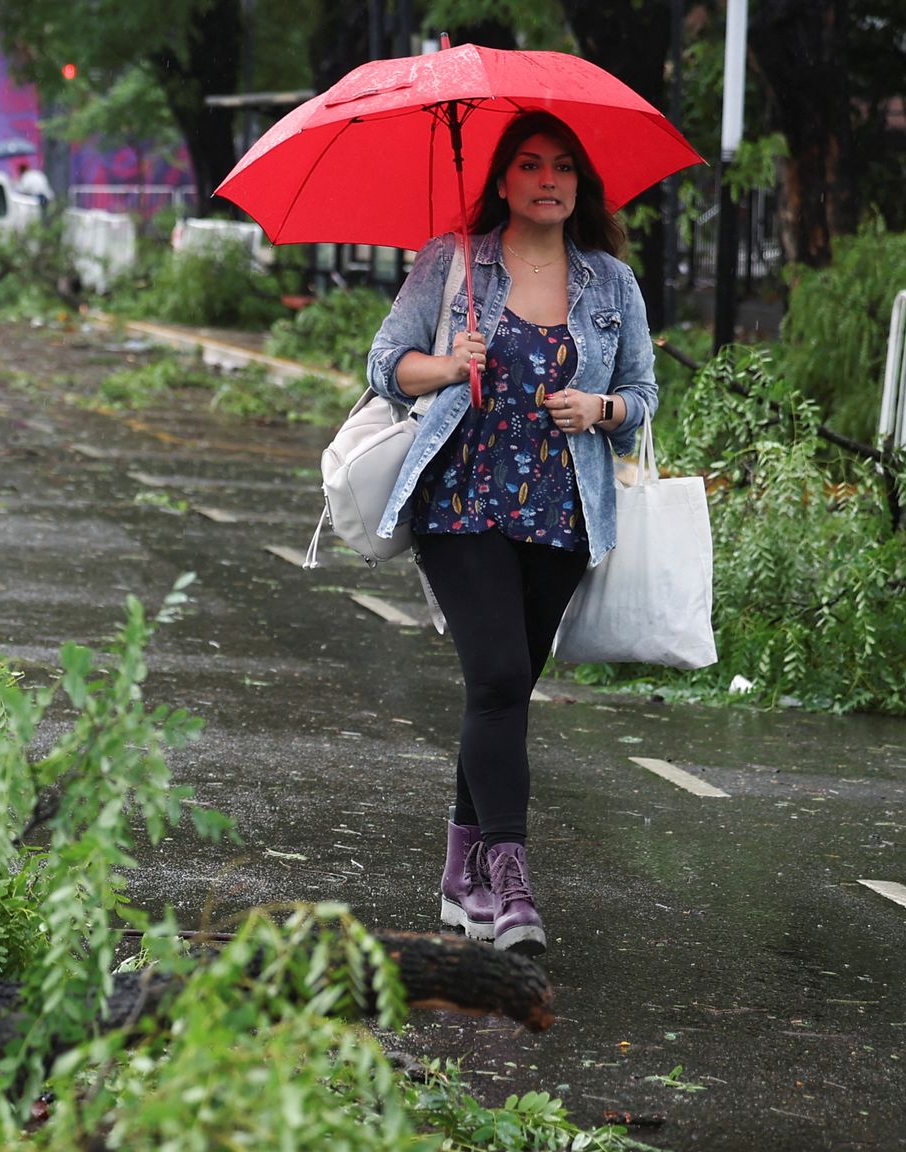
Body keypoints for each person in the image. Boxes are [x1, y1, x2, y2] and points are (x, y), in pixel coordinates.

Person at [363, 110, 658, 957]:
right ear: (502, 179)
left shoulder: (611, 284)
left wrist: (600, 408)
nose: (548, 179)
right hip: (462, 499)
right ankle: (509, 883)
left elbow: (642, 395)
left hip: (561, 510)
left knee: (503, 693)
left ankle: (461, 876)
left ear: (580, 182)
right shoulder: (453, 260)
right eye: (530, 165)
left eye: (563, 166)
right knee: (496, 676)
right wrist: (449, 365)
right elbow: (386, 362)